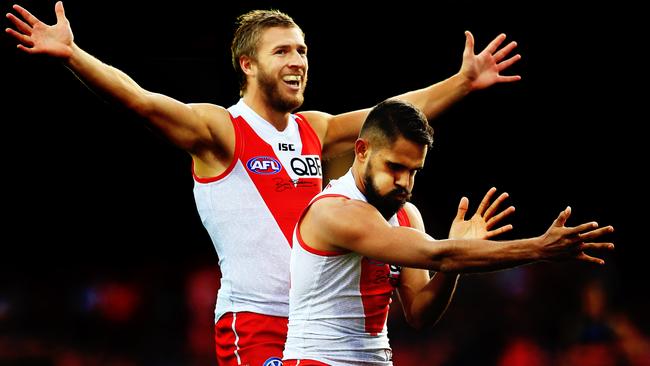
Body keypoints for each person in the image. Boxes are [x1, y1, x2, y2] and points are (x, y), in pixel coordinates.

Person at [5, 2, 523, 365]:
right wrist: (74, 56)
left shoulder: (313, 130)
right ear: (247, 64)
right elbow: (140, 101)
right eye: (282, 52)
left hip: (316, 330)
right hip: (254, 323)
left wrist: (462, 83)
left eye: (302, 50)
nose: (298, 61)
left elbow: (388, 118)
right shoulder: (219, 131)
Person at [282, 99, 615, 366]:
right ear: (361, 150)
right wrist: (538, 248)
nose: (404, 183)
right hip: (317, 359)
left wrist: (453, 264)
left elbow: (420, 313)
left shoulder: (407, 215)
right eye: (394, 167)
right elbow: (438, 253)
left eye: (414, 171)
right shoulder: (334, 212)